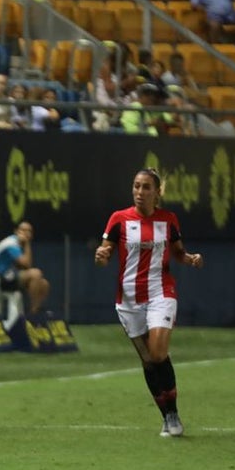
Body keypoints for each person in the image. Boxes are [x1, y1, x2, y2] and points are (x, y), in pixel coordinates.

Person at [94, 168, 204, 437]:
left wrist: (189, 258)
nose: (140, 192)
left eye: (146, 187)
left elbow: (178, 253)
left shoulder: (168, 220)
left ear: (157, 192)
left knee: (157, 353)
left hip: (160, 293)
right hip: (129, 299)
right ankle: (167, 416)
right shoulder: (118, 219)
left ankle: (174, 411)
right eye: (136, 186)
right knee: (148, 362)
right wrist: (101, 256)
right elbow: (105, 251)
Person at [0, 220, 50, 322]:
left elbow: (23, 269)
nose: (26, 233)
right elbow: (27, 264)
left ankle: (35, 313)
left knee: (44, 284)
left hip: (9, 277)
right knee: (36, 274)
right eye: (23, 230)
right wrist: (27, 243)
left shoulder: (19, 245)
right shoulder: (11, 244)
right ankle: (33, 316)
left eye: (29, 231)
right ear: (16, 232)